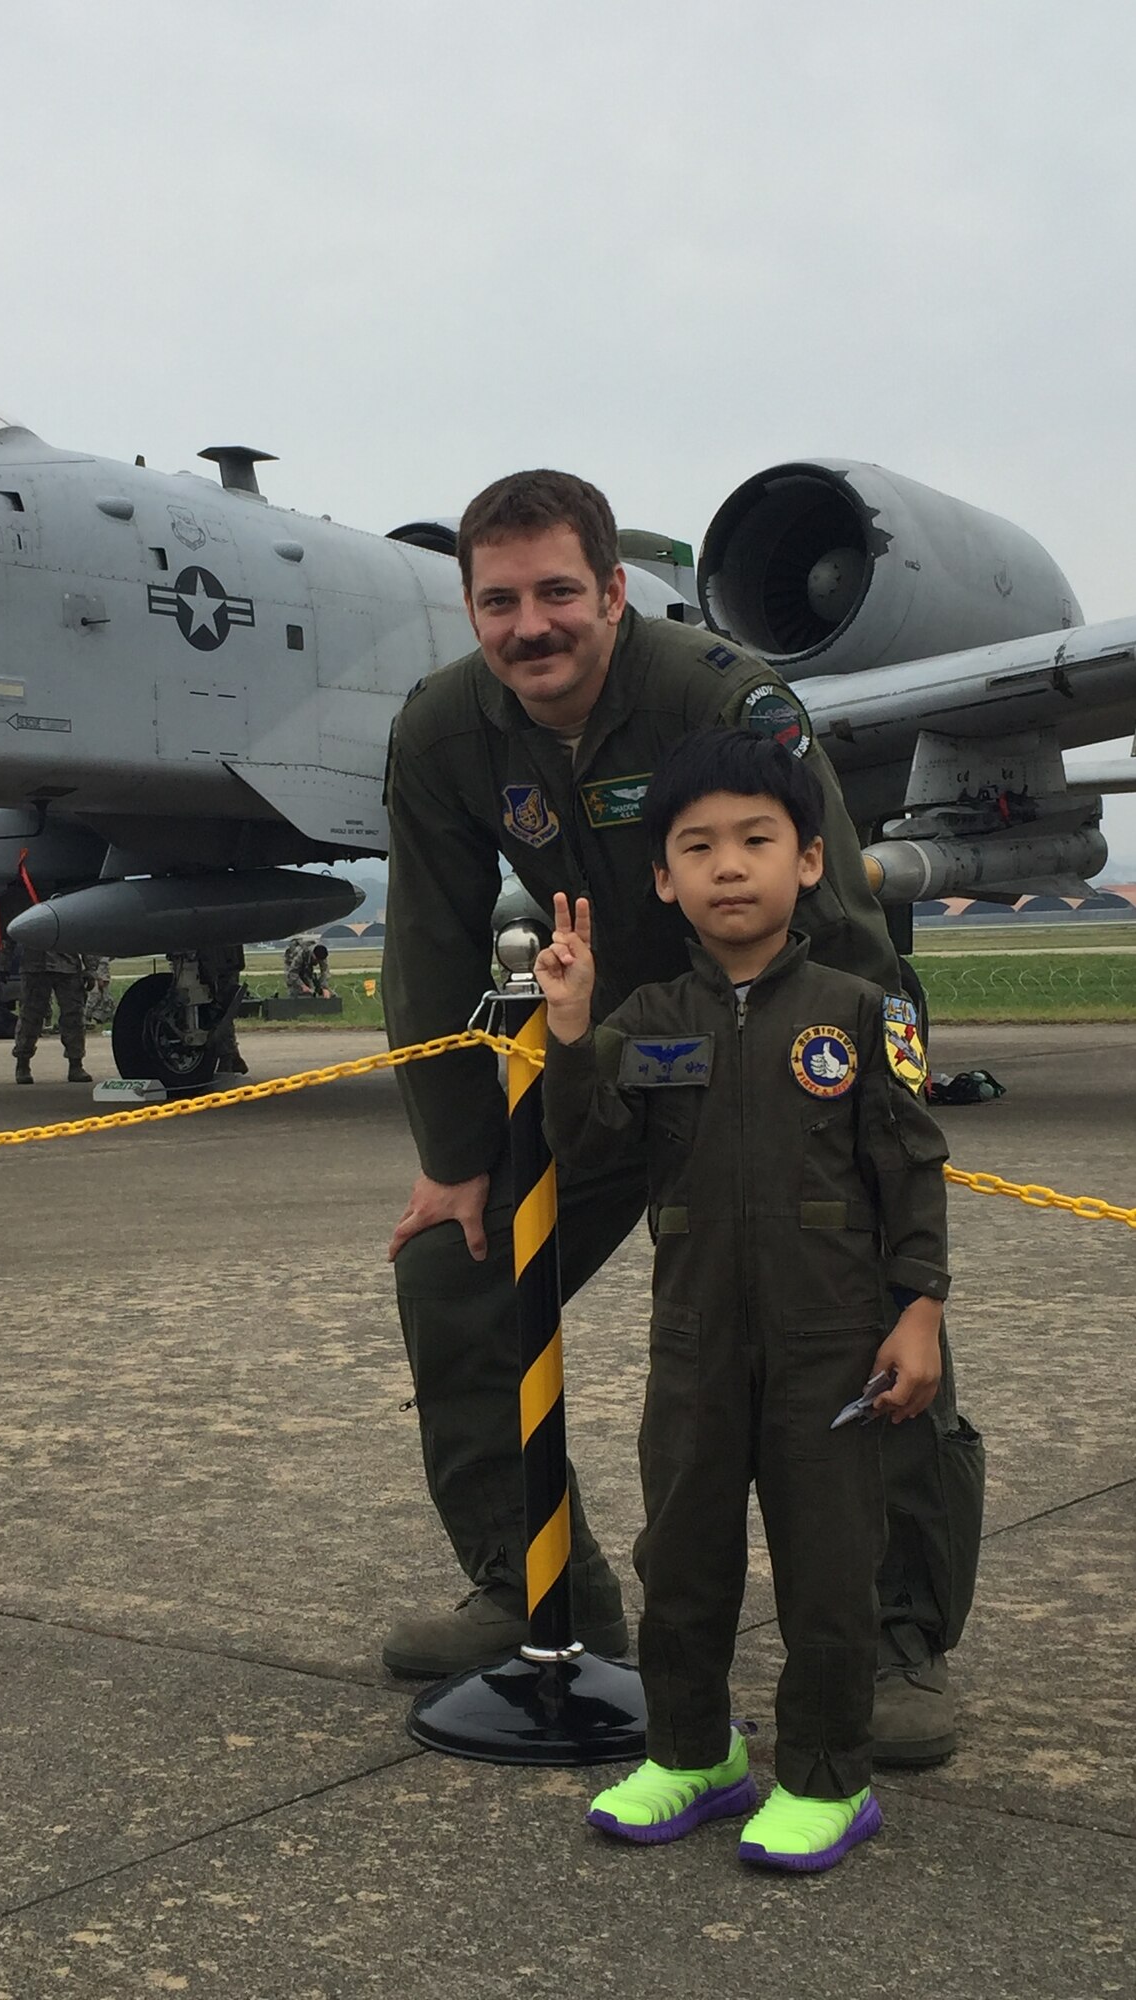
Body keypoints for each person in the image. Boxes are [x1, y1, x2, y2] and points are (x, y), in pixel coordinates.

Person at [380, 469, 983, 1765]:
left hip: (783, 1054)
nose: (529, 626)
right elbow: (426, 942)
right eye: (498, 602)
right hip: (615, 1062)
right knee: (453, 1270)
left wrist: (875, 1117)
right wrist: (456, 1158)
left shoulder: (721, 698)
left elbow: (842, 922)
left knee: (872, 1309)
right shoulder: (443, 731)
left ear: (610, 592)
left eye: (556, 594)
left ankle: (899, 1638)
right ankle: (538, 1587)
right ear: (471, 609)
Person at [537, 728, 949, 1870]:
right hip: (696, 1342)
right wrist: (570, 1031)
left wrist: (919, 1308)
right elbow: (585, 1142)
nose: (730, 865)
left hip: (833, 1344)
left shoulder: (865, 1012)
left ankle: (827, 1776)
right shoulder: (649, 1019)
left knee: (827, 1569)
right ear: (663, 876)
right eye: (698, 845)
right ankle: (692, 1750)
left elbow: (912, 1166)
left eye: (756, 840)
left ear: (809, 860)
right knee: (682, 1555)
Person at [13, 944, 92, 1084]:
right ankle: (22, 1063)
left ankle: (76, 1064)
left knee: (74, 1017)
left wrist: (91, 968)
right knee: (30, 1017)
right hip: (35, 965)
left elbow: (85, 933)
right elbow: (8, 931)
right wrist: (3, 961)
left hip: (68, 965)